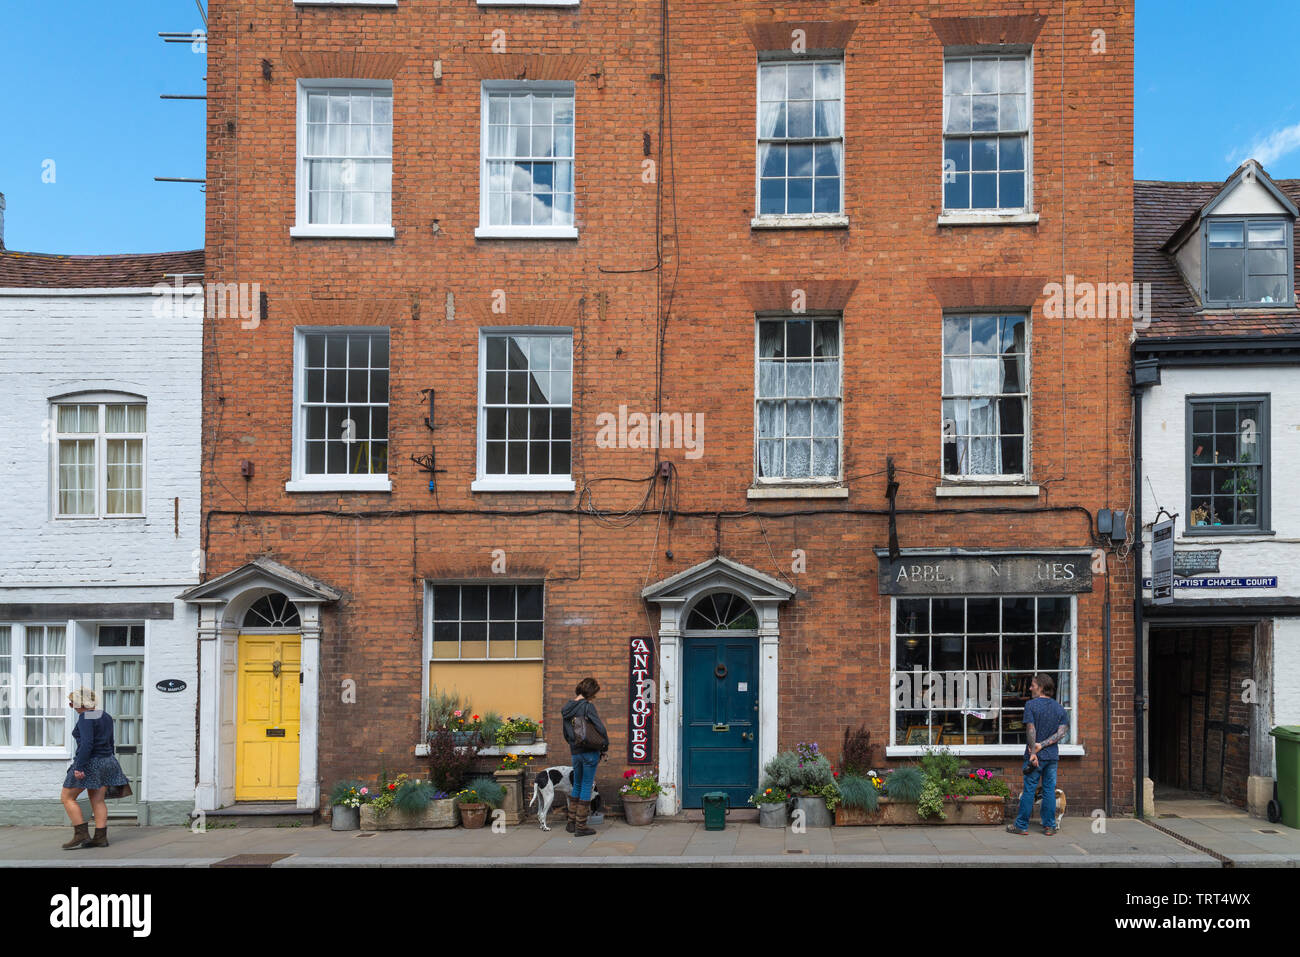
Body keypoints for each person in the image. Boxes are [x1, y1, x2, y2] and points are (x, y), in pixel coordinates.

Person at [59, 688, 130, 850]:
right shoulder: (104, 715)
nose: (72, 706)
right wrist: (108, 759)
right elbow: (110, 742)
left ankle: (81, 834)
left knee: (67, 797)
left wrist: (80, 766)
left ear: (80, 703)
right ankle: (100, 838)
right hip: (107, 760)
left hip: (91, 762)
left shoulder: (85, 717)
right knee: (97, 800)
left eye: (72, 703)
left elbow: (87, 744)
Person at [1007, 673, 1069, 836]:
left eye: (1033, 685)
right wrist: (1044, 744)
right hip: (1052, 756)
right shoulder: (1059, 708)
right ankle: (1049, 826)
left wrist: (1034, 751)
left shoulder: (1031, 705)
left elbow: (1031, 730)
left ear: (1040, 687)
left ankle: (1021, 825)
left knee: (1029, 790)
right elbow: (1062, 733)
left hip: (1035, 756)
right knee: (1049, 790)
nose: (1030, 688)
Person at [561, 677, 608, 836]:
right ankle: (581, 827)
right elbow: (600, 728)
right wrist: (605, 745)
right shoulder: (587, 706)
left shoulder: (567, 708)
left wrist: (573, 744)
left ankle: (571, 824)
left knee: (578, 785)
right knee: (587, 785)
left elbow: (566, 734)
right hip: (589, 751)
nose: (595, 697)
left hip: (575, 752)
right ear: (591, 692)